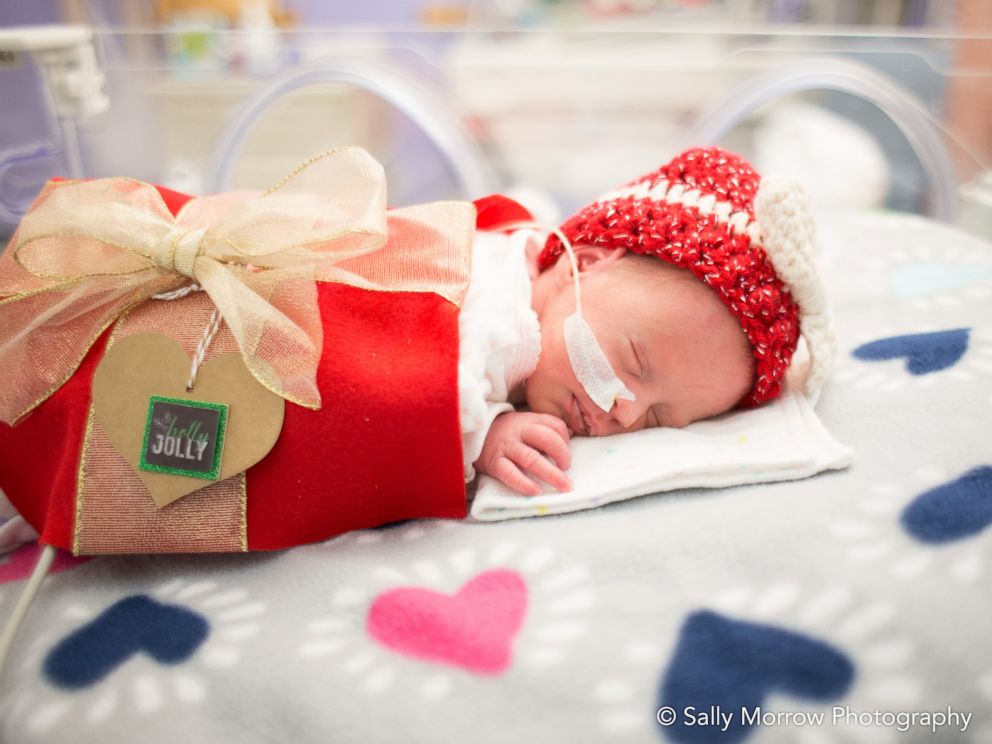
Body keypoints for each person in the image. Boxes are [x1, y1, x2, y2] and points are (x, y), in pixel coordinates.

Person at [463, 146, 834, 497]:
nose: (627, 413)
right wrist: (481, 434)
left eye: (657, 417)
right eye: (634, 362)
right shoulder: (491, 313)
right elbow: (417, 394)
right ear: (587, 264)